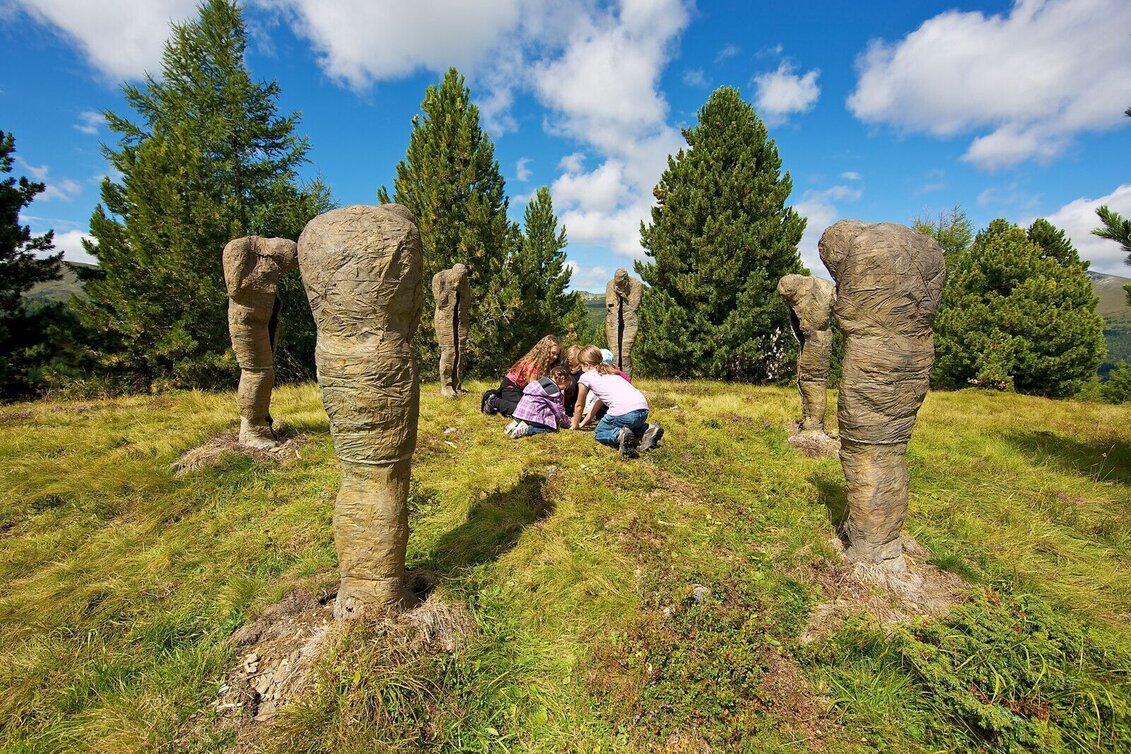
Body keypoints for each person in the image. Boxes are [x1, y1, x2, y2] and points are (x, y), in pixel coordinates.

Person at [572, 345, 662, 457]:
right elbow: (598, 403)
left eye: (581, 366)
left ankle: (619, 435)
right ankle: (647, 429)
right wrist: (583, 423)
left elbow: (579, 405)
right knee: (629, 424)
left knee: (599, 433)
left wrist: (575, 425)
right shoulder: (610, 372)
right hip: (643, 410)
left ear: (586, 364)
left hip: (624, 412)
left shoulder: (586, 377)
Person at [481, 335, 561, 417]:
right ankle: (492, 401)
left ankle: (501, 399)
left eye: (557, 354)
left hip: (522, 390)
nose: (555, 357)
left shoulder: (549, 365)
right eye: (553, 353)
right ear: (545, 351)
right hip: (511, 387)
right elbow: (534, 390)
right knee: (524, 409)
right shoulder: (533, 364)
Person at [504, 366, 572, 438]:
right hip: (532, 416)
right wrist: (567, 422)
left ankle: (516, 423)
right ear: (563, 379)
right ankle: (527, 430)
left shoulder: (540, 382)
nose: (565, 388)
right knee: (551, 428)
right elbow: (558, 412)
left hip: (520, 413)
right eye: (566, 385)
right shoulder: (554, 392)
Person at [562, 344, 582, 415]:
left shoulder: (583, 372)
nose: (572, 368)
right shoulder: (563, 368)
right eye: (570, 365)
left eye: (576, 365)